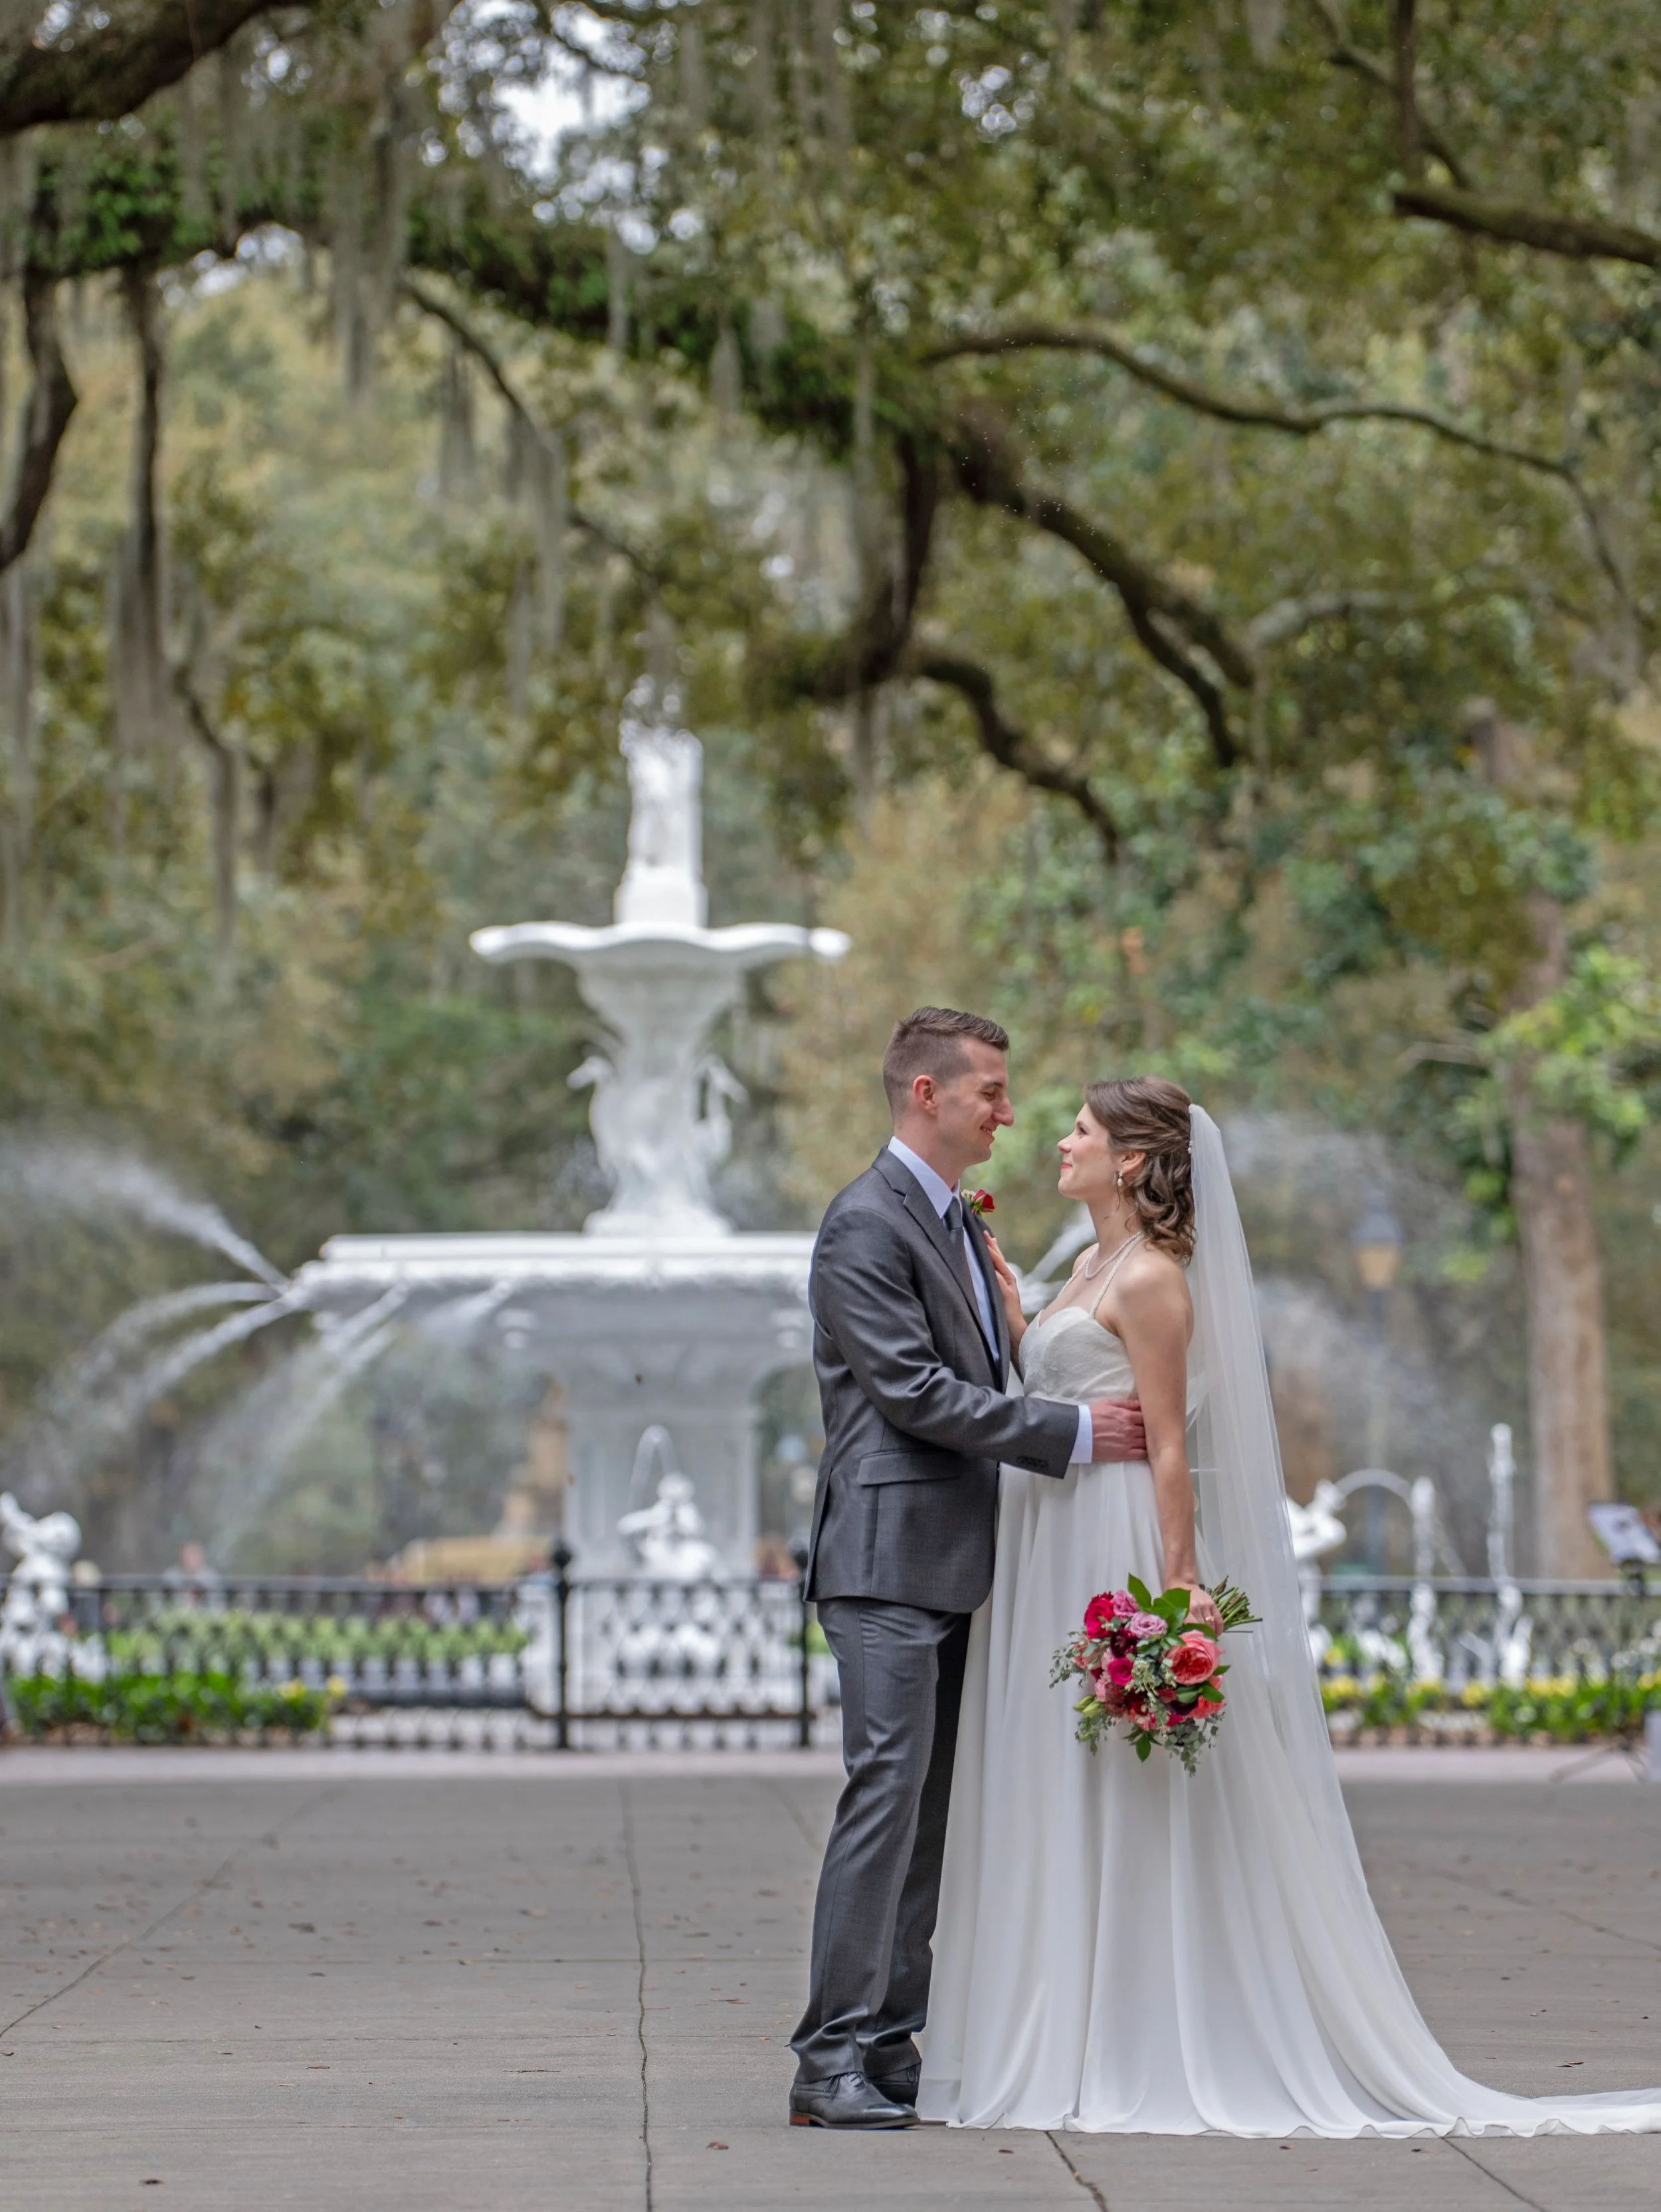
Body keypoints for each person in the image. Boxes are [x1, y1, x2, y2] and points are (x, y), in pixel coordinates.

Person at [918, 1076, 1661, 2138]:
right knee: (1054, 1764)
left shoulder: (1159, 1281)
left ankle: (1132, 2028)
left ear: (1132, 1159)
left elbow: (1171, 1445)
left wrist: (1175, 1599)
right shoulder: (1088, 1264)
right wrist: (1009, 1301)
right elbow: (1062, 1380)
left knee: (1125, 1783)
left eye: (1081, 1129)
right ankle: (1052, 2013)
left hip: (1112, 1532)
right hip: (1047, 1526)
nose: (1059, 1139)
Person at [789, 1008, 1147, 2130]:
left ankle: (893, 2040)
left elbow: (966, 1363)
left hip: (958, 1559)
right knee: (885, 1798)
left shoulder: (948, 1223)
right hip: (889, 1560)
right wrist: (1078, 1433)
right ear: (926, 1096)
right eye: (990, 1088)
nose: (1009, 1108)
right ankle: (827, 2056)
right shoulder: (864, 1222)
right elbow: (910, 1393)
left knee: (930, 1814)